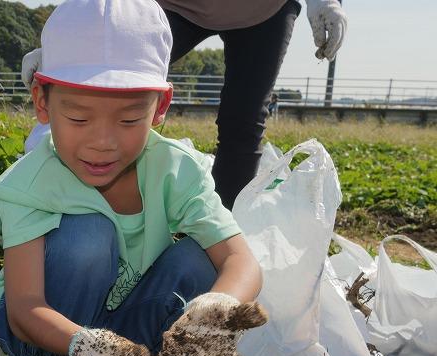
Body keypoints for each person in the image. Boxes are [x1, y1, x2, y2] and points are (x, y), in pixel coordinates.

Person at [0, 0, 266, 356]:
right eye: (79, 118)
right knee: (88, 235)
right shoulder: (29, 184)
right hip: (46, 336)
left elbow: (241, 262)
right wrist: (8, 308)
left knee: (196, 261)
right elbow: (24, 308)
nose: (103, 142)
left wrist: (210, 318)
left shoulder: (176, 172)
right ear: (43, 102)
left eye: (128, 120)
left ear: (160, 107)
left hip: (122, 347)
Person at [22, 0, 348, 210]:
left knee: (244, 121)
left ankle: (220, 228)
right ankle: (53, 198)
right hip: (175, 6)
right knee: (98, 84)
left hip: (261, 10)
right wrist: (72, 52)